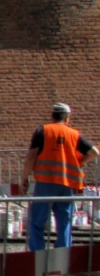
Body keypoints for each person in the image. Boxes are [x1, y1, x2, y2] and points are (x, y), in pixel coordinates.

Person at [21, 103, 99, 251]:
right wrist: (79, 162)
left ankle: (38, 255)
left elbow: (31, 157)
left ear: (52, 116)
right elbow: (94, 152)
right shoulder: (74, 134)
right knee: (64, 222)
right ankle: (63, 256)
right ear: (67, 118)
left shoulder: (42, 131)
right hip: (66, 183)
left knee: (37, 221)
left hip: (45, 183)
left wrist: (25, 179)